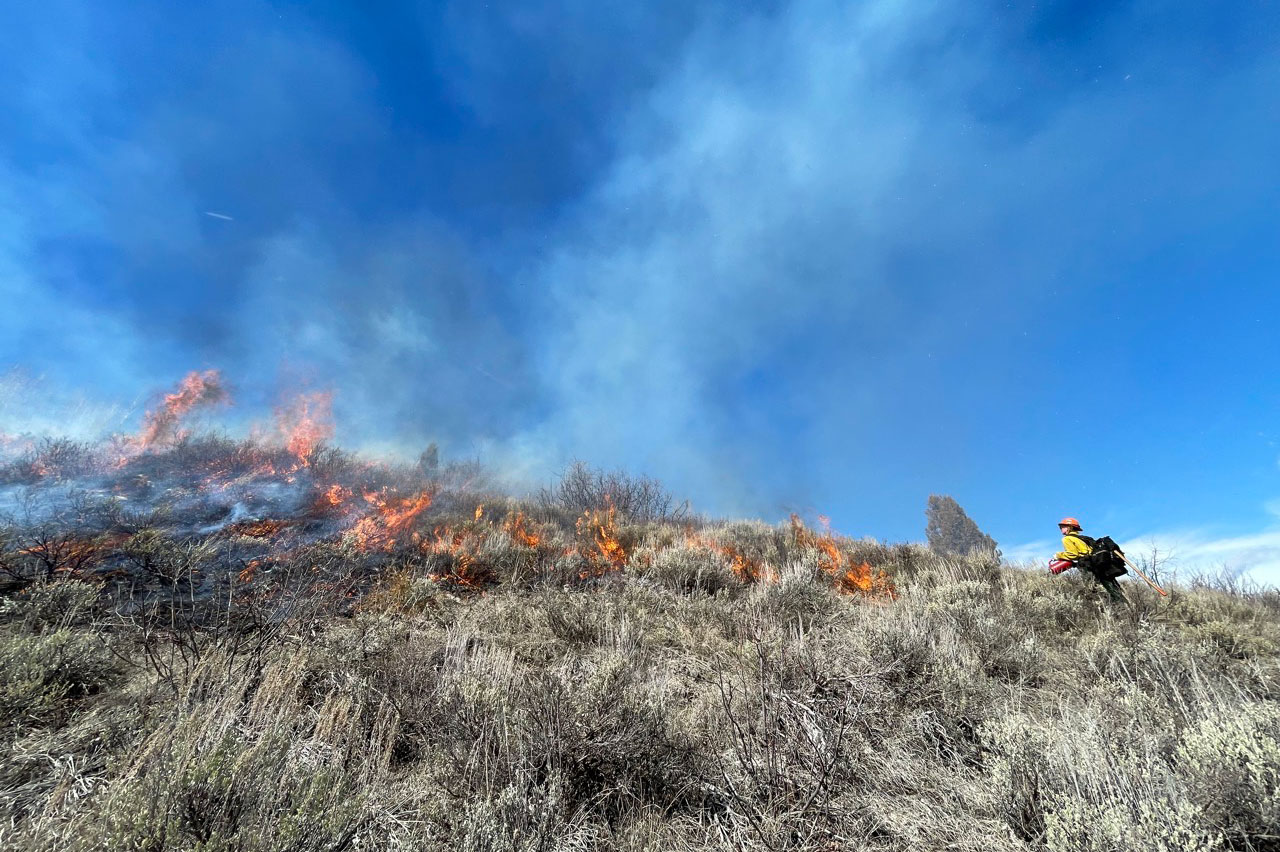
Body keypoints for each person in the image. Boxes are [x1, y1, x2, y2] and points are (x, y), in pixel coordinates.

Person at [1048, 517, 1128, 605]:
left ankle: (1115, 608)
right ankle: (1126, 607)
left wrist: (1058, 556)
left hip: (1090, 567)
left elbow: (1073, 554)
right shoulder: (1082, 538)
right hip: (1099, 563)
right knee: (1113, 588)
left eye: (1063, 526)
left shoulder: (1067, 539)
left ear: (1069, 527)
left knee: (1094, 590)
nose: (1061, 529)